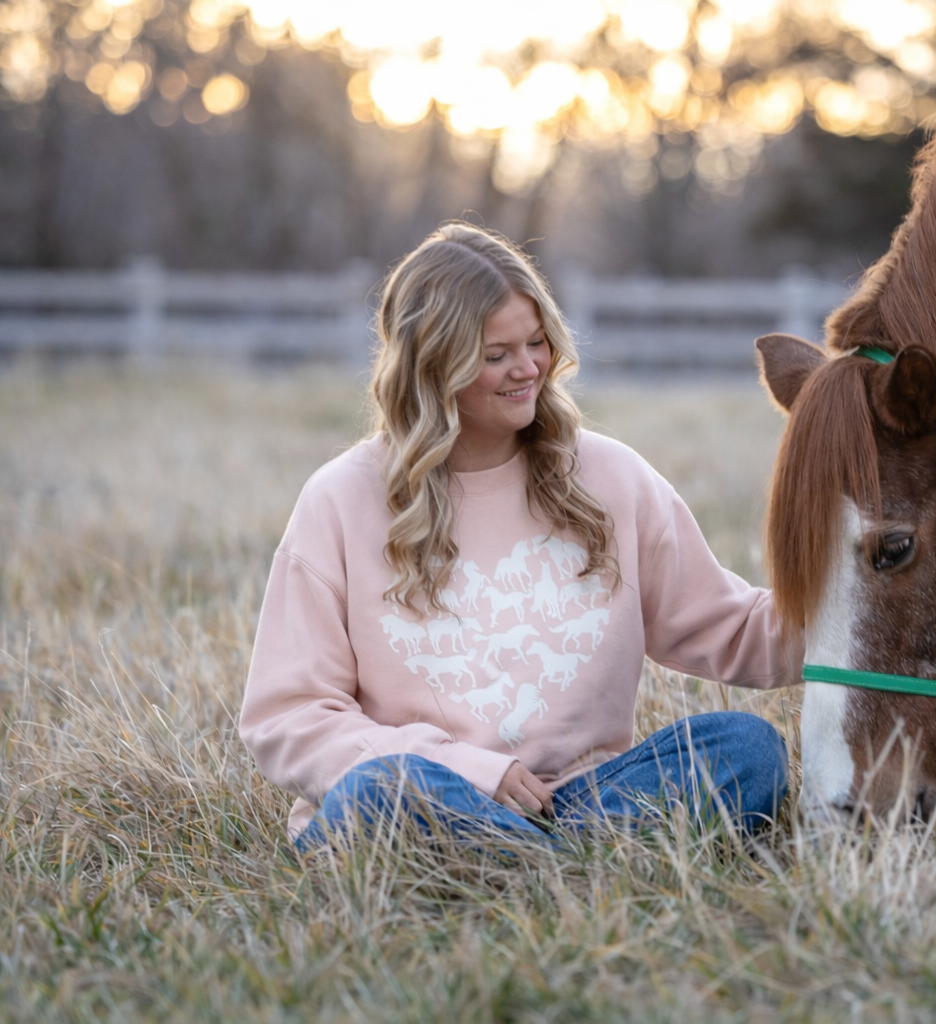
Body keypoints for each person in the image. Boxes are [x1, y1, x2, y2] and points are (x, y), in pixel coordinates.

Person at [240, 223, 801, 854]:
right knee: (378, 793)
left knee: (748, 750)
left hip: (588, 801)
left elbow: (730, 626)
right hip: (432, 798)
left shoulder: (610, 476)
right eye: (496, 353)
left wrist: (868, 612)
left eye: (536, 342)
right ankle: (578, 871)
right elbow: (288, 719)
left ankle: (529, 868)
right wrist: (470, 770)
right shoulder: (341, 499)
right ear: (432, 366)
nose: (529, 368)